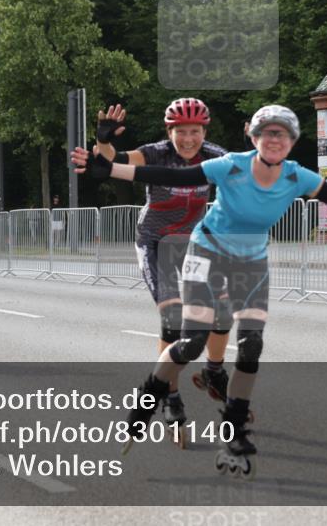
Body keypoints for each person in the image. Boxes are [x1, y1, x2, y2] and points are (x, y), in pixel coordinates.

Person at [74, 104, 327, 474]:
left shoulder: (290, 174)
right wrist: (105, 157)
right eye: (182, 130)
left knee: (248, 342)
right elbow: (159, 172)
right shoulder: (220, 162)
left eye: (283, 135)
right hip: (181, 245)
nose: (189, 138)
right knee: (181, 332)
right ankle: (156, 399)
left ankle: (229, 413)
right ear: (252, 137)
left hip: (248, 259)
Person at [93, 98, 229, 432]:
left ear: (204, 131)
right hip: (155, 244)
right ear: (169, 132)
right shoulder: (155, 153)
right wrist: (104, 140)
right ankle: (170, 394)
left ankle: (214, 370)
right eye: (180, 131)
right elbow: (112, 161)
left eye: (195, 131)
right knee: (173, 324)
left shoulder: (215, 156)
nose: (188, 139)